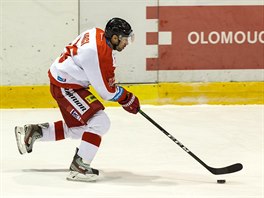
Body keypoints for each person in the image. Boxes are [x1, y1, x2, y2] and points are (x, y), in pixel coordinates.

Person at [14, 17, 140, 182]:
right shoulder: (98, 54)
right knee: (100, 122)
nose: (127, 43)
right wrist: (127, 98)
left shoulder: (98, 33)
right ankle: (79, 166)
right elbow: (106, 93)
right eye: (124, 39)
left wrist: (122, 95)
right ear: (115, 38)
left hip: (69, 82)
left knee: (82, 128)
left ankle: (35, 132)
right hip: (66, 87)